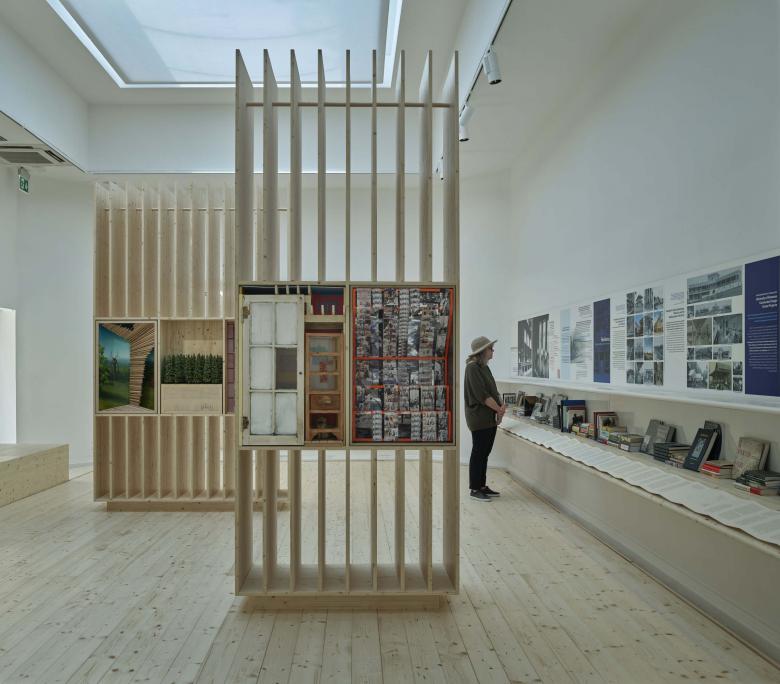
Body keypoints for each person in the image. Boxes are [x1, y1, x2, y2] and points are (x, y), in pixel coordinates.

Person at [464, 336, 504, 501]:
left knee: (484, 452)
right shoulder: (472, 368)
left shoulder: (484, 367)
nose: (492, 350)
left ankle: (481, 486)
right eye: (490, 348)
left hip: (488, 417)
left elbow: (493, 390)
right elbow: (482, 395)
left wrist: (500, 407)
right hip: (479, 418)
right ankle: (475, 489)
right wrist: (499, 409)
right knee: (479, 452)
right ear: (481, 351)